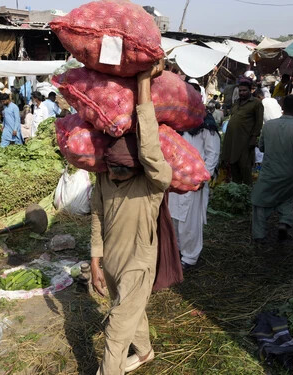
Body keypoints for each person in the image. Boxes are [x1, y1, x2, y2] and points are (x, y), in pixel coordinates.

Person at [91, 61, 173, 375]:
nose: (115, 175)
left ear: (137, 167)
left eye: (122, 170)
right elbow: (98, 214)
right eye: (111, 168)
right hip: (111, 260)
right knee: (129, 312)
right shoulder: (103, 179)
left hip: (138, 265)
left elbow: (150, 149)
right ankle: (146, 352)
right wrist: (95, 258)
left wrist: (142, 84)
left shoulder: (153, 182)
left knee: (116, 329)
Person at [169, 97, 221, 270]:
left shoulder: (206, 124)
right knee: (174, 215)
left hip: (195, 179)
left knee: (190, 220)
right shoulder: (179, 120)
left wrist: (204, 177)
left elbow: (212, 153)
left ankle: (190, 256)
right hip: (176, 177)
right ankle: (177, 250)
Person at [251, 95, 293, 243]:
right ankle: (284, 222)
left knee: (260, 201)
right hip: (290, 172)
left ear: (282, 107)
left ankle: (259, 234)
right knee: (287, 197)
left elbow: (262, 147)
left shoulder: (269, 125)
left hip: (270, 171)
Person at [221, 80, 264, 185]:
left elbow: (259, 123)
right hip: (232, 139)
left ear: (250, 90)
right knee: (233, 164)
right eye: (240, 91)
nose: (241, 93)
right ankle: (237, 188)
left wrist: (254, 138)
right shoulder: (236, 102)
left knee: (244, 166)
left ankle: (247, 190)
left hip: (245, 140)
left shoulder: (256, 103)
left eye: (244, 90)